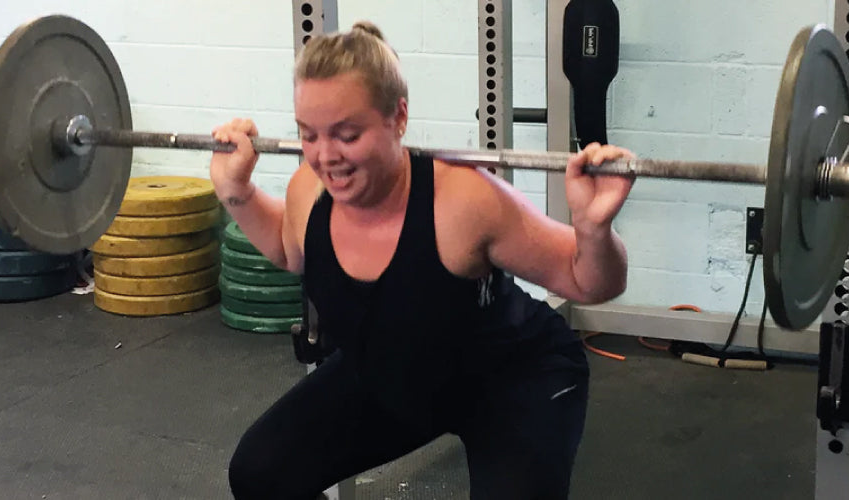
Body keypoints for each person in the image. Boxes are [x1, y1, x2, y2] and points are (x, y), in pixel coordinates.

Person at [210, 20, 634, 500]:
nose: (326, 157)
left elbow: (589, 280)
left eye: (347, 135)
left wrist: (594, 228)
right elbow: (289, 249)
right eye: (309, 135)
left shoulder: (463, 201)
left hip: (510, 383)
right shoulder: (309, 191)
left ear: (399, 118)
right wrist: (237, 192)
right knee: (261, 472)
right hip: (396, 377)